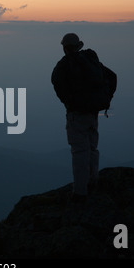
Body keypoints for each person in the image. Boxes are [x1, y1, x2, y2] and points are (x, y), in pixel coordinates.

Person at [51, 33, 116, 203]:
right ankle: (92, 181)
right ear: (79, 45)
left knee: (79, 151)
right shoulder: (90, 61)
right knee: (92, 148)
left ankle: (80, 192)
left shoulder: (63, 66)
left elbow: (58, 86)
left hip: (76, 114)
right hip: (93, 112)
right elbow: (112, 76)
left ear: (64, 47)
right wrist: (105, 98)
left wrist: (71, 103)